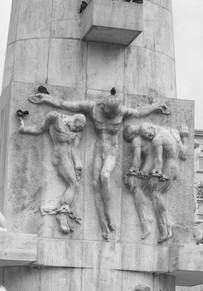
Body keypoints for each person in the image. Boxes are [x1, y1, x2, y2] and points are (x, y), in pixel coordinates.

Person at [28, 90, 170, 240]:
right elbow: (66, 104)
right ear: (103, 106)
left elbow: (140, 113)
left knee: (105, 175)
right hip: (99, 147)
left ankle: (108, 215)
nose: (111, 115)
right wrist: (46, 98)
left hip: (112, 149)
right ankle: (103, 224)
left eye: (114, 112)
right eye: (109, 111)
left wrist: (156, 107)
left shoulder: (121, 111)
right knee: (96, 184)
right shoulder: (92, 107)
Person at [18, 112, 86, 233]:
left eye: (79, 129)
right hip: (60, 156)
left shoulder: (75, 132)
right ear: (75, 120)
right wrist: (24, 129)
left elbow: (74, 149)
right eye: (78, 126)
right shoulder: (55, 118)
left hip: (67, 157)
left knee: (75, 185)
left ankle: (64, 211)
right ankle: (62, 215)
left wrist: (78, 165)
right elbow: (40, 129)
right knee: (74, 185)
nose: (77, 130)